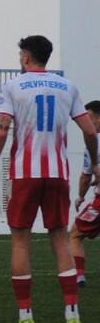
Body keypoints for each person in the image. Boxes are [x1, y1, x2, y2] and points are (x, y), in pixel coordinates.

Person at [0, 35, 99, 323]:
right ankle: (72, 313)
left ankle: (25, 316)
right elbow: (89, 131)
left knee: (21, 241)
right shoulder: (68, 86)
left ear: (26, 57)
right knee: (60, 238)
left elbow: (2, 131)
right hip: (57, 173)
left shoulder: (13, 87)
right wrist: (95, 163)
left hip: (25, 174)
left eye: (21, 55)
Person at [70, 100, 100, 286]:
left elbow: (85, 177)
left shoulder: (94, 141)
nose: (86, 124)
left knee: (75, 234)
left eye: (89, 118)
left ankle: (78, 275)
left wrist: (80, 196)